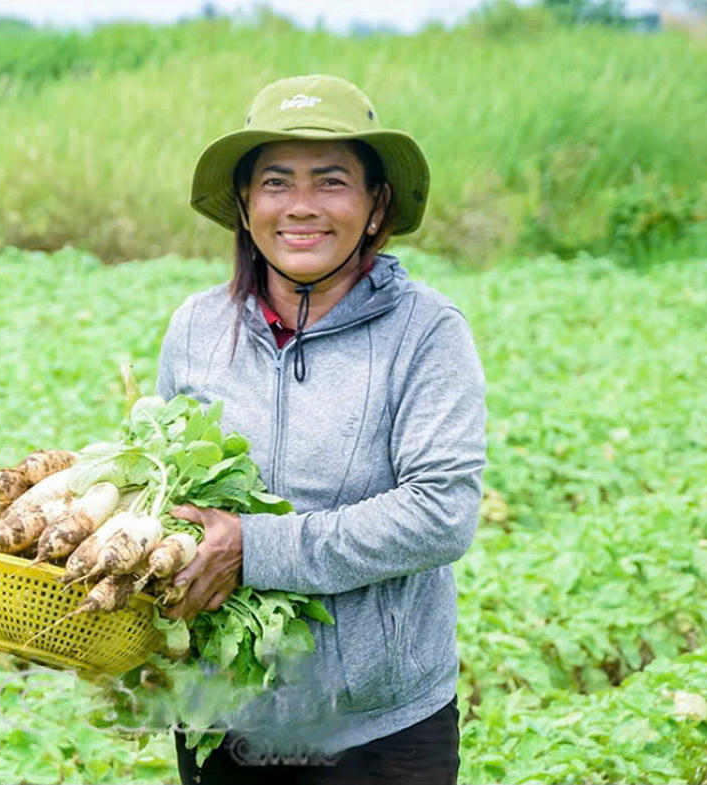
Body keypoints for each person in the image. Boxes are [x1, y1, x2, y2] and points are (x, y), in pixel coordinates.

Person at [157, 75, 488, 784]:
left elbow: (441, 514)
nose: (301, 207)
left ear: (376, 207)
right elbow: (166, 494)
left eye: (331, 181)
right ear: (245, 206)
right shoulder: (196, 328)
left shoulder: (427, 333)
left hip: (380, 725)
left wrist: (256, 547)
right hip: (223, 713)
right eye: (276, 182)